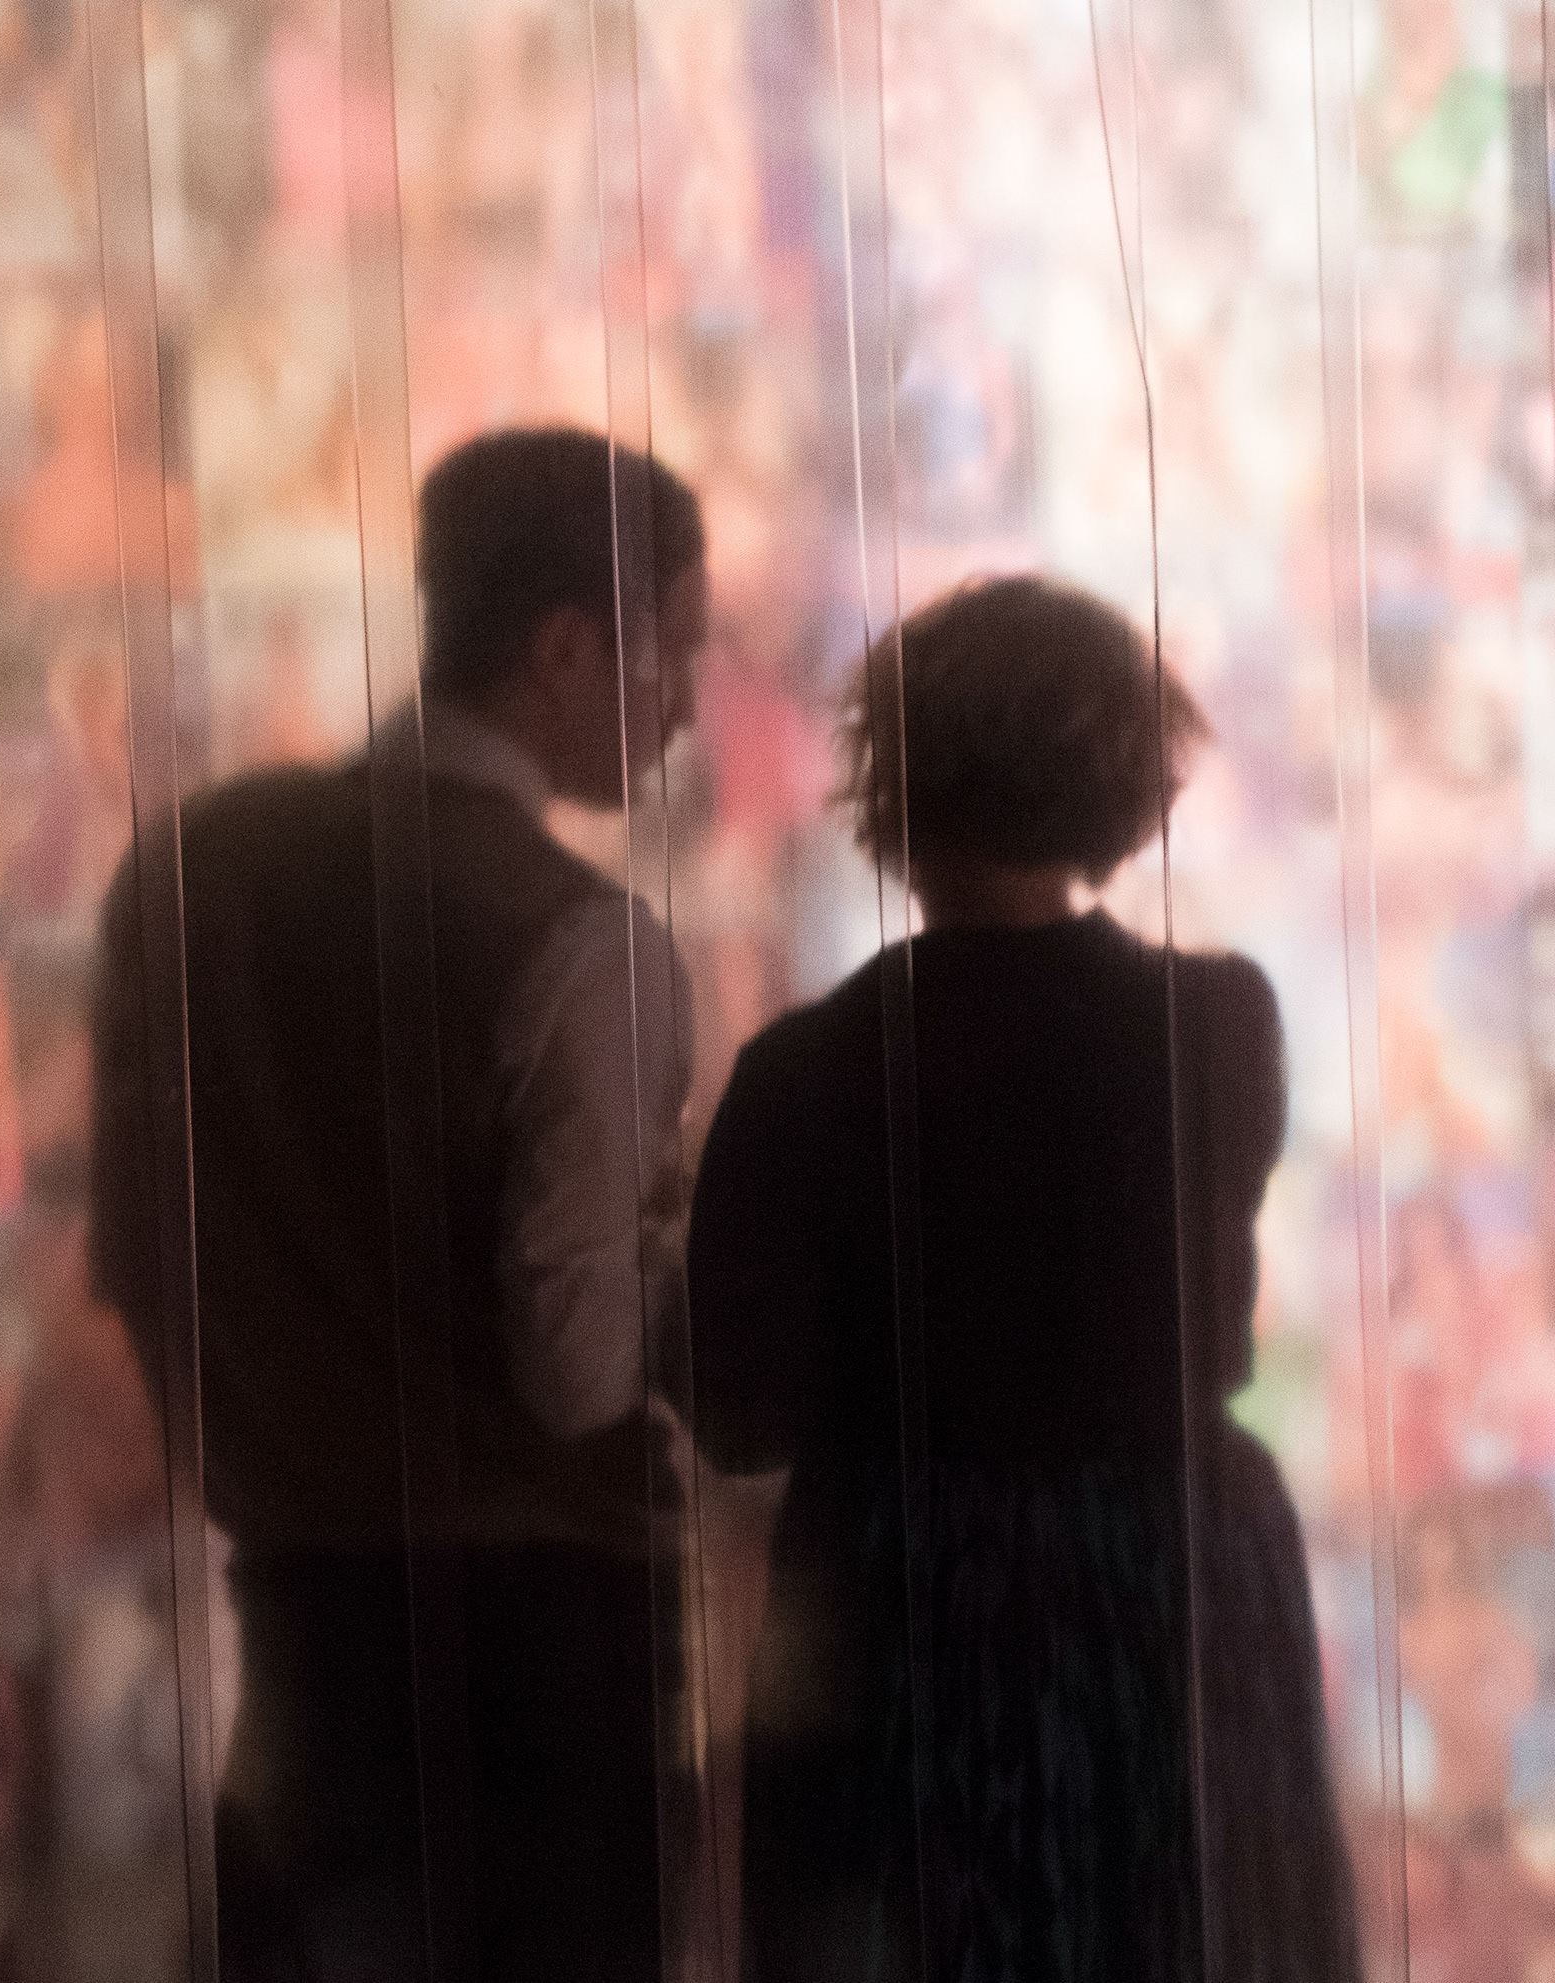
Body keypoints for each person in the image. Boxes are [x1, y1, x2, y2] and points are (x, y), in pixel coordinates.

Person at [88, 428, 709, 1983]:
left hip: (297, 1614)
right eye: (678, 652)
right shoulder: (586, 943)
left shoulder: (188, 870)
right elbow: (581, 1372)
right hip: (539, 1667)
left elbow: (135, 1246)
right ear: (565, 648)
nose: (691, 706)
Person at [687, 576, 1359, 1983]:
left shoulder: (805, 1072)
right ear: (1125, 783)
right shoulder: (1220, 1024)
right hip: (1170, 1560)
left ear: (894, 789)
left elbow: (740, 1406)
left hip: (907, 1586)